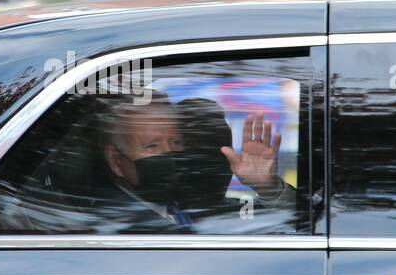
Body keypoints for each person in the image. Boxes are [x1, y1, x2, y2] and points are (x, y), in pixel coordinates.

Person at [92, 93, 293, 233]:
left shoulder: (210, 207)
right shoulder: (112, 225)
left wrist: (268, 187)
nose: (170, 154)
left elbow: (303, 222)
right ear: (115, 161)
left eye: (176, 143)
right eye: (152, 146)